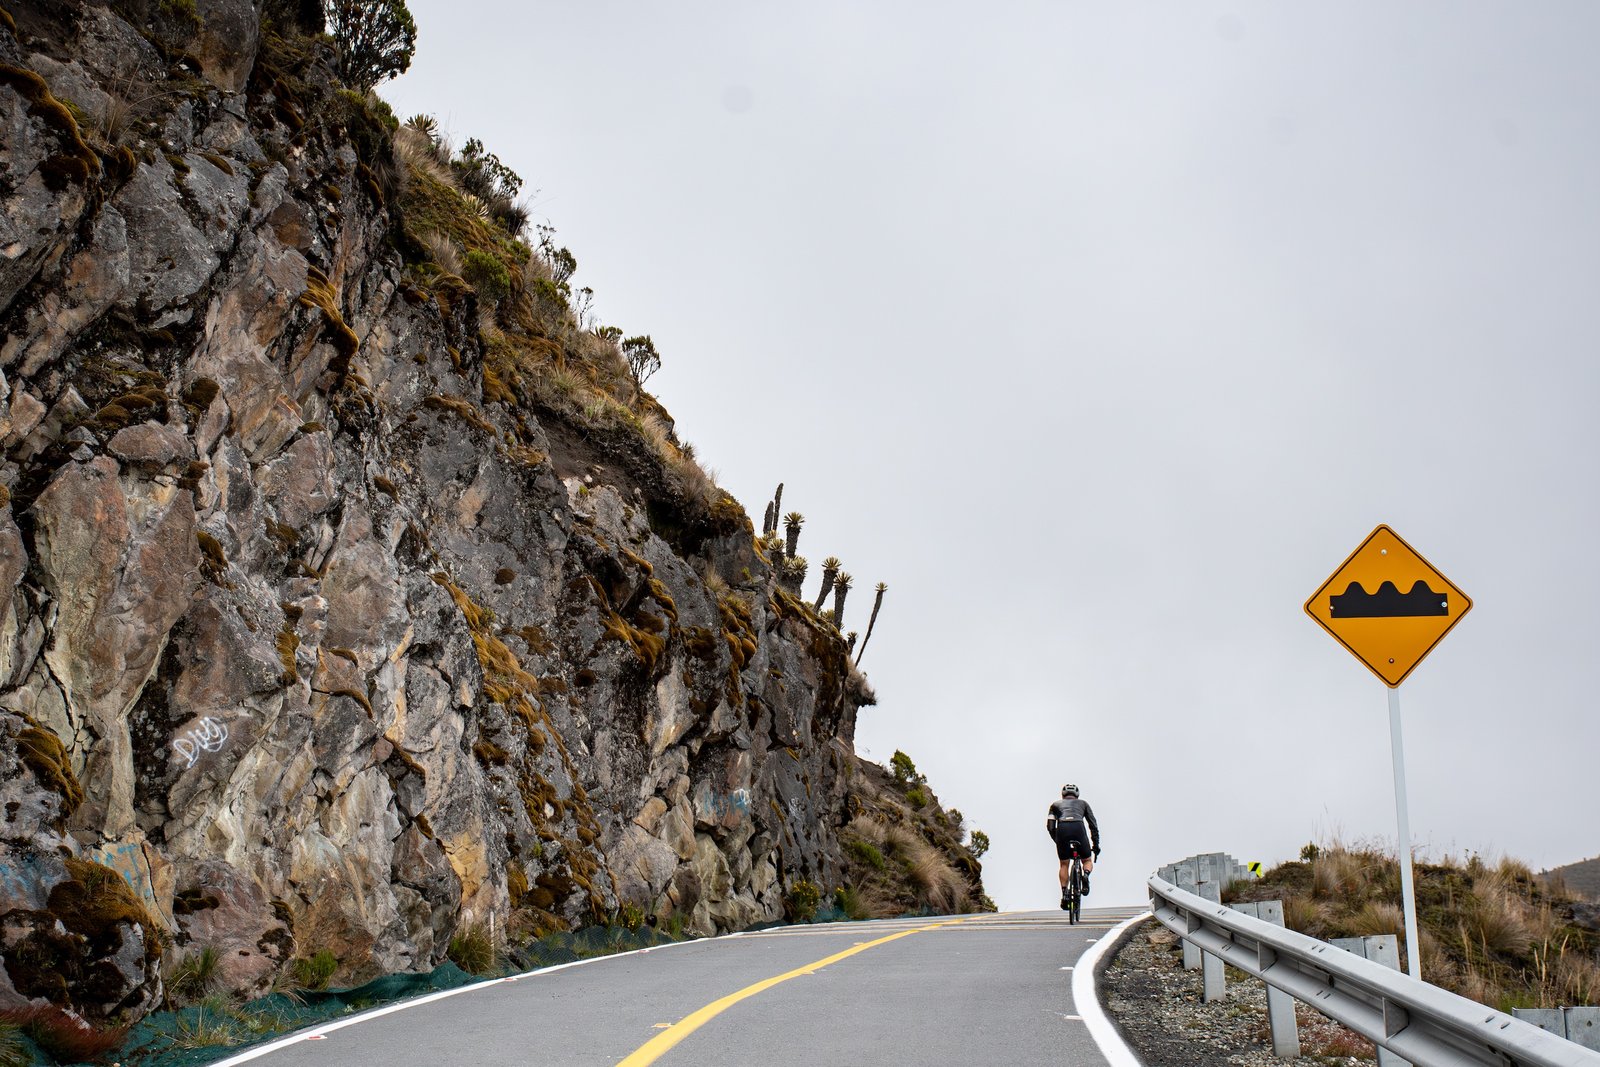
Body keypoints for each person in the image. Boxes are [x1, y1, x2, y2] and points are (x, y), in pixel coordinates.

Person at [1047, 783, 1100, 907]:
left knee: (1064, 864)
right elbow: (1093, 825)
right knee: (1086, 859)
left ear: (1063, 794)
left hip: (1062, 829)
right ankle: (1085, 875)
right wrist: (1095, 845)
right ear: (1077, 795)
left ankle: (1065, 893)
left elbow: (1050, 826)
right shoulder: (1084, 804)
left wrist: (1058, 841)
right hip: (1078, 828)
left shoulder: (1055, 805)